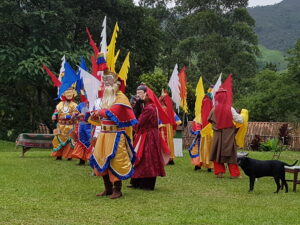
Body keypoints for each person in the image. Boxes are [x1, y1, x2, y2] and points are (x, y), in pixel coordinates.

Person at [89, 70, 137, 199]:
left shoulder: (121, 97)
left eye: (109, 81)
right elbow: (103, 113)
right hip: (104, 134)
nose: (106, 84)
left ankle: (117, 190)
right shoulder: (106, 97)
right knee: (101, 158)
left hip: (116, 135)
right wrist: (96, 113)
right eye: (105, 81)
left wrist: (100, 112)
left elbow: (112, 112)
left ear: (117, 83)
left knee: (115, 161)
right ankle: (108, 188)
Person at [129, 85, 170, 190]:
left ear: (146, 95)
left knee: (148, 159)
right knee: (142, 157)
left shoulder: (149, 108)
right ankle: (137, 181)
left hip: (149, 136)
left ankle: (146, 184)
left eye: (140, 93)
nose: (138, 96)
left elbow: (139, 124)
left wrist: (132, 117)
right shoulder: (149, 106)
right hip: (147, 134)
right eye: (137, 93)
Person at [208, 88, 243, 178]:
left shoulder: (213, 109)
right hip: (228, 135)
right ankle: (234, 174)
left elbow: (210, 120)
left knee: (217, 153)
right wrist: (243, 115)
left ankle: (219, 173)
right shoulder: (230, 109)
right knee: (230, 154)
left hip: (217, 135)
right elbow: (240, 120)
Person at [51, 87, 78, 160]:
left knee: (70, 140)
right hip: (60, 126)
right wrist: (53, 115)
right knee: (57, 139)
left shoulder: (74, 105)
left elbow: (76, 114)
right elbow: (56, 111)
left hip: (70, 126)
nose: (69, 94)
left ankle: (69, 156)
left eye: (70, 93)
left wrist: (66, 116)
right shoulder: (60, 104)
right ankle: (58, 155)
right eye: (67, 92)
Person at [159, 90, 182, 165]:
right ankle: (170, 158)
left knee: (162, 142)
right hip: (168, 128)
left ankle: (163, 158)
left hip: (160, 127)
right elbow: (177, 121)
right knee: (169, 142)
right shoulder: (169, 110)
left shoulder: (158, 109)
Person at [71, 95, 93, 165]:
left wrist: (86, 116)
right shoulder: (80, 105)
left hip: (91, 125)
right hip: (81, 126)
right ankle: (82, 160)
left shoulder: (95, 104)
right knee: (81, 141)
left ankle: (92, 160)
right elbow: (74, 116)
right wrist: (75, 115)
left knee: (91, 141)